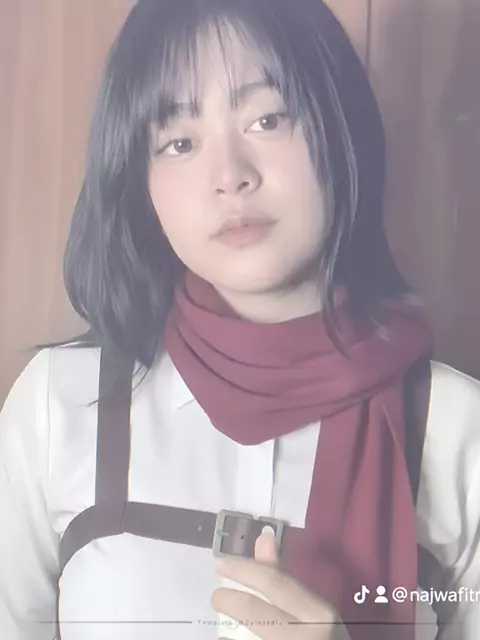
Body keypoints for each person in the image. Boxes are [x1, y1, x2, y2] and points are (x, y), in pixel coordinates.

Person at [1, 0, 480, 639]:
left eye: (267, 119)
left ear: (341, 128)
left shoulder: (458, 433)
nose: (229, 176)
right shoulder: (58, 408)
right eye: (179, 142)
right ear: (140, 181)